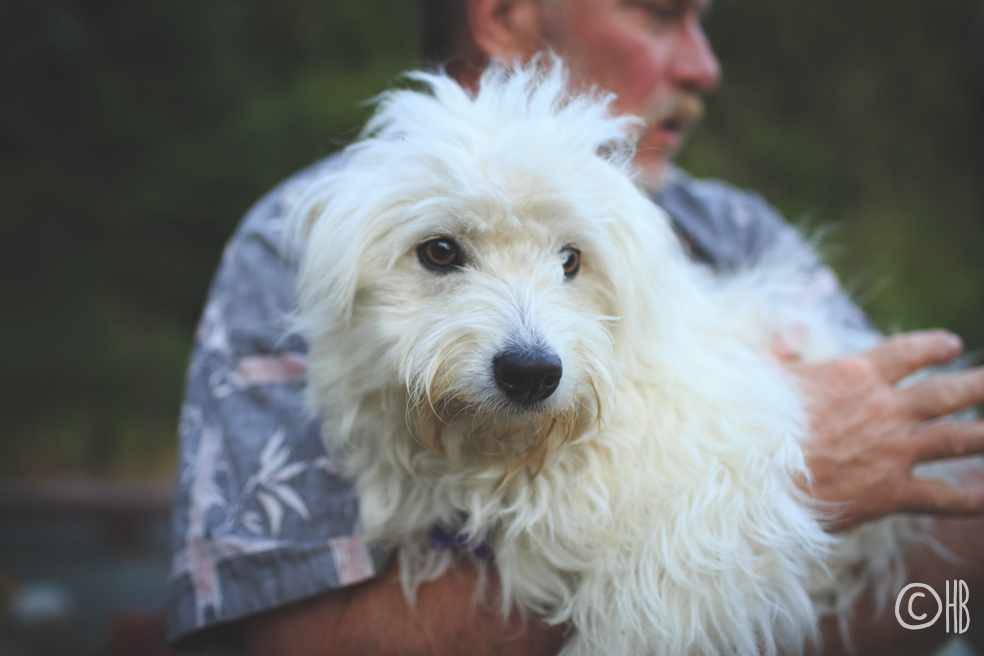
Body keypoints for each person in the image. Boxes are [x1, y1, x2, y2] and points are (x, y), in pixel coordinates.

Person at [166, 0, 984, 653]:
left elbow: (945, 555)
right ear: (509, 18)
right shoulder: (302, 232)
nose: (704, 66)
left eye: (568, 264)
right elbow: (303, 642)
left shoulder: (732, 226)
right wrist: (784, 482)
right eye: (659, 15)